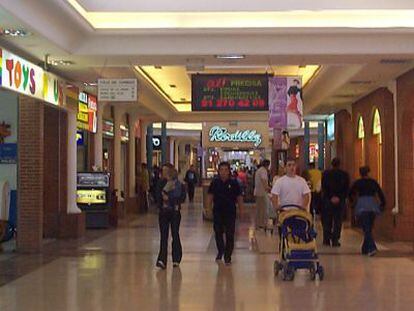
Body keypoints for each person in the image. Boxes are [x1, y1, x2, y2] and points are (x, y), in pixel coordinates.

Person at [207, 162, 244, 265]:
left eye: (225, 170)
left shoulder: (234, 183)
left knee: (230, 234)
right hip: (218, 211)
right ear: (219, 171)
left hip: (230, 212)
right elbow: (210, 196)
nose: (223, 172)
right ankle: (220, 250)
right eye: (221, 170)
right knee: (218, 232)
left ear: (229, 171)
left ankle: (228, 255)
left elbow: (239, 198)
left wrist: (241, 211)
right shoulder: (215, 182)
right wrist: (208, 209)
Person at [349, 166, 385, 256]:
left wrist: (352, 203)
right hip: (372, 205)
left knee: (366, 228)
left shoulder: (358, 183)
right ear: (368, 172)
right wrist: (382, 204)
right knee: (368, 227)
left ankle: (366, 248)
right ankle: (371, 248)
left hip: (361, 205)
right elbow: (380, 193)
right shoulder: (373, 182)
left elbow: (350, 193)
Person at [155, 164, 183, 269]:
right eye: (163, 171)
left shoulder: (178, 184)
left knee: (175, 234)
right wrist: (161, 202)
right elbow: (158, 196)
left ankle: (176, 258)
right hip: (164, 213)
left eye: (166, 170)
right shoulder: (161, 183)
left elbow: (182, 197)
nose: (164, 173)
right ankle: (162, 259)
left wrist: (170, 200)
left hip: (175, 213)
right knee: (164, 236)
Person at [321, 158, 350, 247]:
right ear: (339, 164)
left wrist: (330, 197)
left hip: (328, 201)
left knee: (327, 220)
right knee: (338, 221)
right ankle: (335, 239)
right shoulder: (345, 175)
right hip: (340, 201)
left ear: (331, 164)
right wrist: (340, 197)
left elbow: (324, 187)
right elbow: (346, 188)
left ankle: (326, 239)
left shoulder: (325, 174)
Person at [254, 159, 271, 230]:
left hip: (258, 192)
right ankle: (261, 224)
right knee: (262, 209)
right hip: (261, 192)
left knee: (259, 209)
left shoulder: (259, 170)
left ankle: (259, 224)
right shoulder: (263, 171)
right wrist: (269, 188)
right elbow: (264, 182)